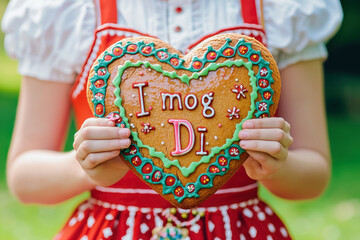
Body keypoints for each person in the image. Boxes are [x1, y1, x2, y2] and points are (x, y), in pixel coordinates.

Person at [2, 0, 343, 239]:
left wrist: (277, 165)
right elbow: (24, 174)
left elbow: (314, 173)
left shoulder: (280, 11)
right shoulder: (67, 12)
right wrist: (85, 168)